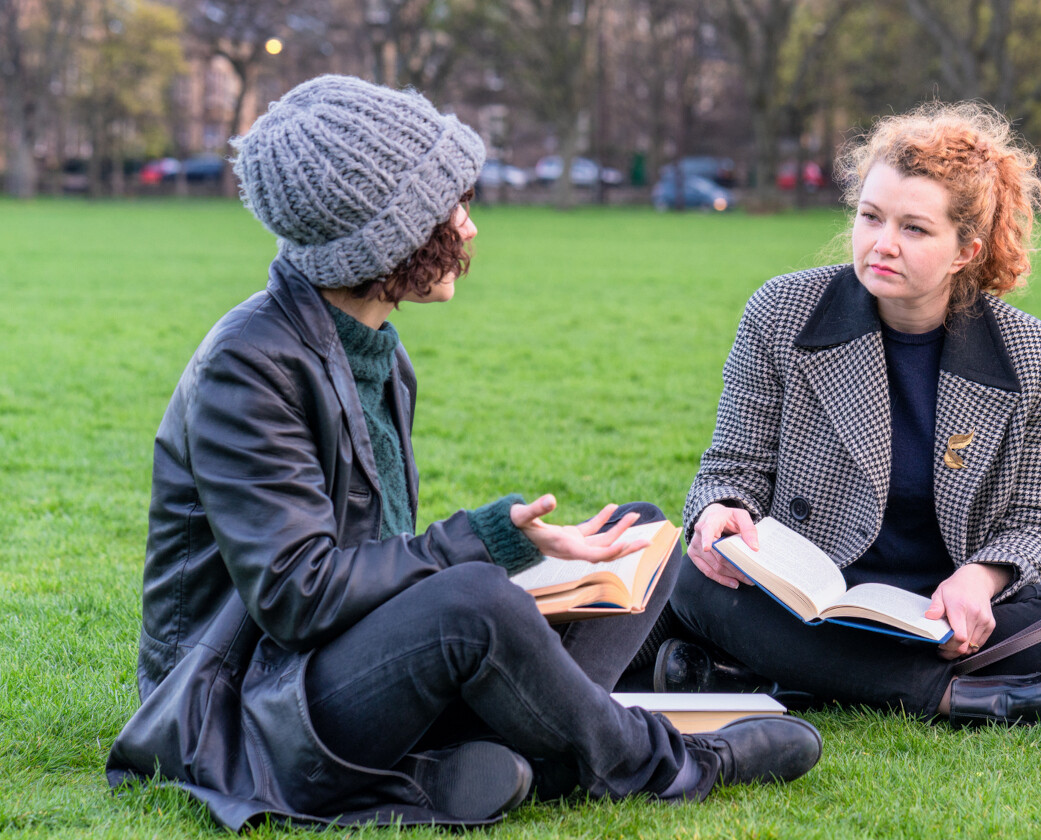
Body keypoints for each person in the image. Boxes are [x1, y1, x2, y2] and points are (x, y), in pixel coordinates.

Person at [105, 75, 820, 831]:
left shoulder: (370, 343)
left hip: (335, 660)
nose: (469, 228)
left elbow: (369, 563)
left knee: (637, 539)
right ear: (384, 237)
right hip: (247, 707)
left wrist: (533, 558)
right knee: (475, 599)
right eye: (450, 208)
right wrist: (485, 543)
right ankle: (668, 764)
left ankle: (510, 757)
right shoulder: (247, 365)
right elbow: (298, 595)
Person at [659, 101, 1041, 734]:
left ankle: (774, 678)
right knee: (693, 581)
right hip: (802, 592)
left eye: (914, 229)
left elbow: (1037, 524)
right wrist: (717, 513)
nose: (882, 244)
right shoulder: (782, 313)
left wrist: (979, 581)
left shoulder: (1033, 356)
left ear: (965, 250)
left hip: (936, 607)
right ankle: (967, 700)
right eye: (870, 217)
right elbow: (729, 468)